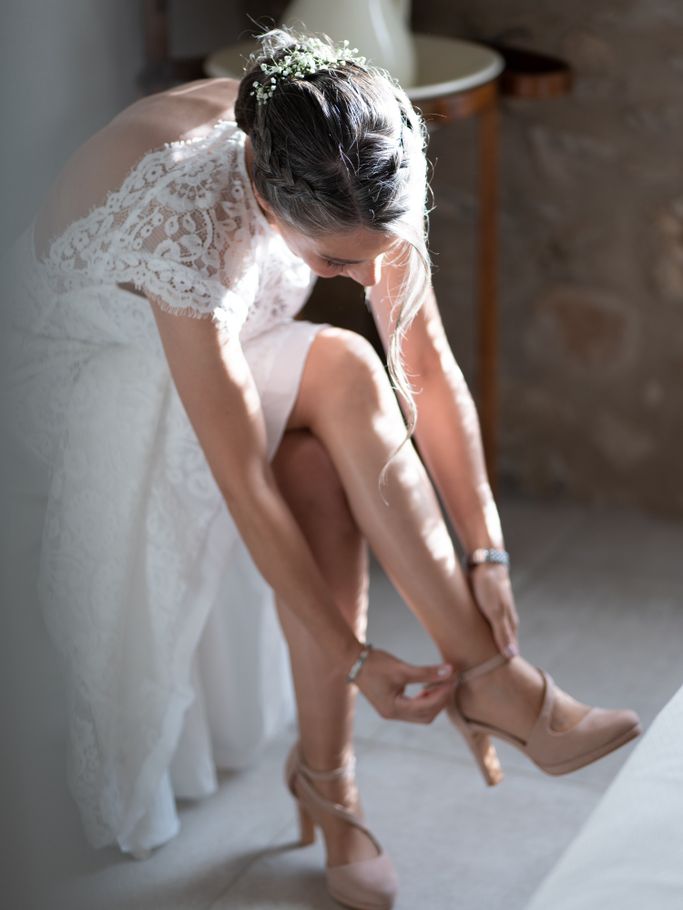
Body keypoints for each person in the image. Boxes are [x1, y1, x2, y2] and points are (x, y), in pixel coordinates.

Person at [5, 28, 640, 910]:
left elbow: (424, 364)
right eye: (339, 263)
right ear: (267, 202)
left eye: (376, 251)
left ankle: (332, 787)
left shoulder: (362, 147)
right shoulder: (186, 208)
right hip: (94, 378)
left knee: (318, 470)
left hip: (231, 350)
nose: (368, 276)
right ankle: (493, 687)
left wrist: (486, 549)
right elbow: (241, 481)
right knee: (342, 362)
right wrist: (354, 659)